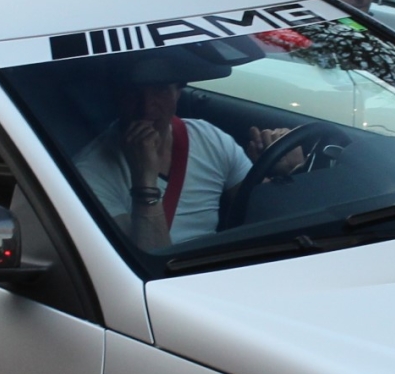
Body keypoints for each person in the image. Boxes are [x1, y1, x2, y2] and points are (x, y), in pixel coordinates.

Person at [75, 57, 301, 250]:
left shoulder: (208, 138)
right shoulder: (90, 173)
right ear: (116, 96)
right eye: (133, 93)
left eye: (160, 90)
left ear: (177, 93)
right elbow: (149, 263)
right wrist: (144, 179)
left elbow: (262, 212)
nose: (146, 107)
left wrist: (287, 173)